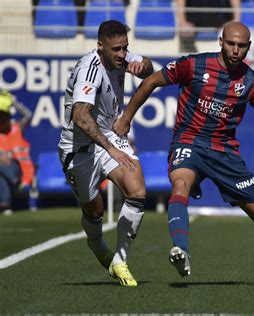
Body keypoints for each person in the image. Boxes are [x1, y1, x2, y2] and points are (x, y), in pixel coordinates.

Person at [114, 21, 254, 279]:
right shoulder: (193, 65)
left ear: (249, 48)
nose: (235, 50)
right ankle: (182, 250)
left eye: (241, 46)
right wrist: (126, 118)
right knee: (180, 185)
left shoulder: (251, 81)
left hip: (224, 152)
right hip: (189, 141)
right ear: (220, 42)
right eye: (230, 44)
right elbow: (151, 81)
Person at [58, 20, 153, 287]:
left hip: (110, 135)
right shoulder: (90, 70)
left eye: (126, 48)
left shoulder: (122, 56)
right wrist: (110, 148)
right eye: (116, 50)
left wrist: (141, 66)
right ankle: (99, 247)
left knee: (137, 190)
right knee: (94, 209)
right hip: (79, 148)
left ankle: (120, 260)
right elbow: (80, 116)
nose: (122, 55)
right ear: (100, 46)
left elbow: (150, 68)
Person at [0, 90, 35, 216]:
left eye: (3, 117)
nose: (1, 121)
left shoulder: (16, 128)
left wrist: (12, 101)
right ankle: (5, 207)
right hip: (6, 174)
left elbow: (28, 115)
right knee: (1, 176)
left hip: (19, 170)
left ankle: (14, 180)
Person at [176, 0, 241, 52]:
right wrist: (182, 22)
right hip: (193, 15)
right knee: (185, 32)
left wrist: (236, 19)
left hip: (217, 15)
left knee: (231, 32)